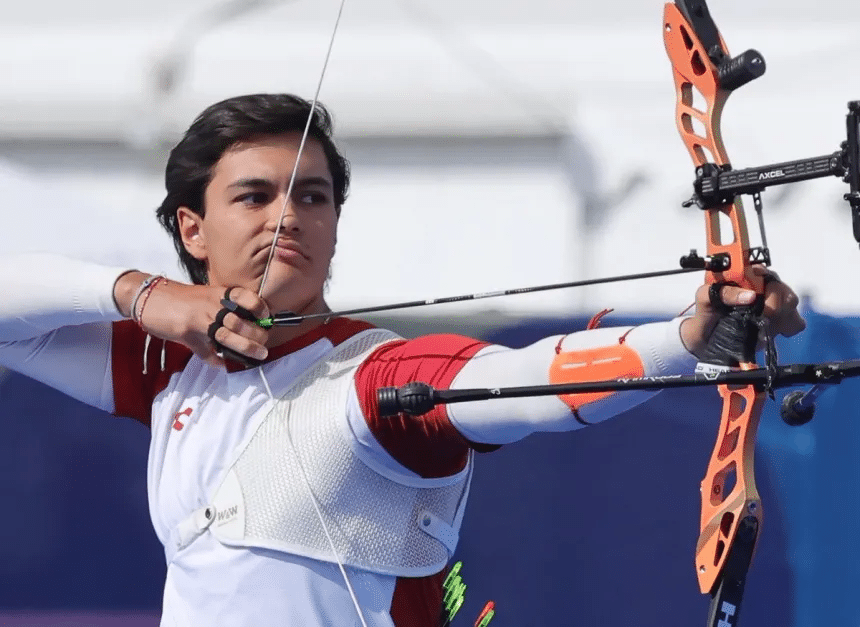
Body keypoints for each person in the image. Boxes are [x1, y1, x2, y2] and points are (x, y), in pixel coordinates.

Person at [0, 93, 805, 627]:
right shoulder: (173, 369)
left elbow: (533, 383)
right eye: (255, 195)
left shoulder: (373, 378)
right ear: (193, 228)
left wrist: (690, 336)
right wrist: (144, 295)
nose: (289, 216)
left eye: (312, 197)